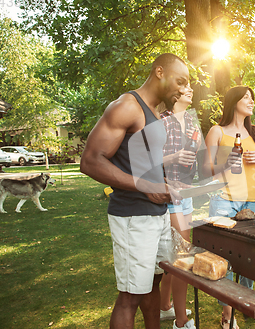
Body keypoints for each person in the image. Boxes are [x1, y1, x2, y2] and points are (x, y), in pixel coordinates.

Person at [80, 53, 189, 329]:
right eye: (180, 81)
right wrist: (146, 186)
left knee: (153, 282)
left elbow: (143, 163)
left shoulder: (155, 113)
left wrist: (166, 180)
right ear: (159, 71)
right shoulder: (127, 106)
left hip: (157, 215)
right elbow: (91, 161)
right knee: (130, 296)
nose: (183, 89)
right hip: (133, 217)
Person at [203, 85, 255, 329]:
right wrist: (226, 162)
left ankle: (247, 302)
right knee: (226, 255)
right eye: (246, 97)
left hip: (252, 199)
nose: (251, 101)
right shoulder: (217, 131)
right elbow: (206, 169)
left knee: (252, 255)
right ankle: (227, 312)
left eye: (253, 97)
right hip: (224, 199)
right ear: (233, 101)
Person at [159, 84, 198, 329]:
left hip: (186, 194)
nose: (191, 89)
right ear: (173, 93)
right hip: (167, 194)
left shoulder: (192, 123)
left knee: (176, 257)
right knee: (182, 258)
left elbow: (193, 162)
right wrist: (174, 158)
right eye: (184, 86)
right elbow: (145, 160)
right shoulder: (161, 121)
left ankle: (165, 307)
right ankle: (181, 322)